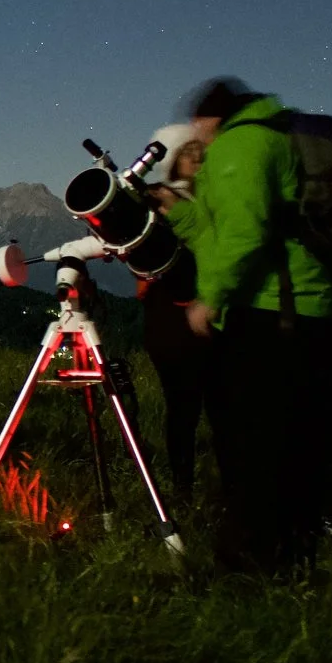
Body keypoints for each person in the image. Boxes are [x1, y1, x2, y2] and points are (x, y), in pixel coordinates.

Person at [158, 78, 332, 572]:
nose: (195, 137)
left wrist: (210, 298)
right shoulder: (269, 137)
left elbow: (244, 232)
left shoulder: (240, 144)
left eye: (196, 126)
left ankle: (252, 561)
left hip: (272, 313)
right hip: (300, 309)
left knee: (252, 443)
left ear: (207, 119)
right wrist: (181, 215)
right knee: (289, 441)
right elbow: (222, 231)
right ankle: (292, 551)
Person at [139, 129, 214, 503]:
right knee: (182, 407)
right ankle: (183, 485)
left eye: (202, 155)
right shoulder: (157, 203)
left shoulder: (214, 202)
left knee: (216, 405)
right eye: (189, 153)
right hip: (169, 318)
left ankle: (216, 484)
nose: (197, 160)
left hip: (208, 313)